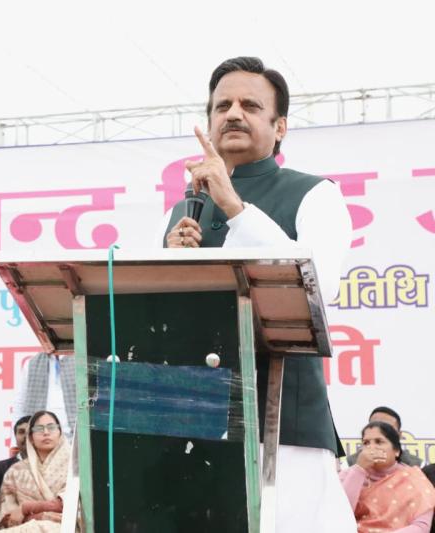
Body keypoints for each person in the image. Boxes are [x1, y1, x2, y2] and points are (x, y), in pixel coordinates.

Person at [161, 56, 354, 532]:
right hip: (193, 419)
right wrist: (167, 264)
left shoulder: (315, 194)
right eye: (222, 105)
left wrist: (234, 206)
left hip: (283, 422)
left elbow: (317, 288)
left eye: (249, 105)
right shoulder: (182, 210)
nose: (232, 114)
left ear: (280, 126)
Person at [340, 421, 435, 532]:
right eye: (366, 443)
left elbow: (421, 526)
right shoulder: (349, 475)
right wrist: (359, 470)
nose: (371, 447)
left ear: (397, 451)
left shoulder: (414, 478)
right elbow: (340, 514)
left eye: (379, 442)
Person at [0, 411, 69, 532]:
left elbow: (67, 504)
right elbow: (7, 517)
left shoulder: (74, 467)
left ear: (60, 433)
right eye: (39, 429)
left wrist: (25, 508)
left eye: (51, 427)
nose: (46, 432)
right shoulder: (15, 471)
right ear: (31, 438)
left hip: (65, 526)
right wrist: (37, 518)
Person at [13, 354, 76, 440]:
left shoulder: (83, 361)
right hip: (39, 440)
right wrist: (15, 440)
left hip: (75, 439)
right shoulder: (32, 364)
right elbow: (20, 404)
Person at [347, 406, 422, 467]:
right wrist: (359, 470)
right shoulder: (349, 464)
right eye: (374, 426)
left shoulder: (417, 466)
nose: (378, 431)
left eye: (387, 429)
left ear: (399, 435)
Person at [0, 416, 31, 488]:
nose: (26, 436)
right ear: (15, 436)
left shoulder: (50, 464)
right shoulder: (2, 467)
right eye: (21, 432)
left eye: (30, 432)